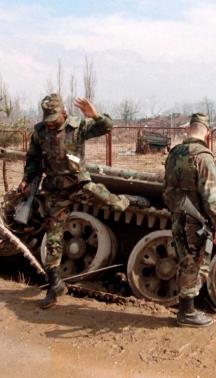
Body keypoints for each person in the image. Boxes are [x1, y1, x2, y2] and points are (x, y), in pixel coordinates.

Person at [19, 94, 149, 309]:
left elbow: (106, 128)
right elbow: (33, 160)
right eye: (47, 118)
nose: (51, 122)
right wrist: (26, 179)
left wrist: (95, 115)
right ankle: (55, 283)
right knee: (53, 236)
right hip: (55, 191)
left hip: (80, 186)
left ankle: (128, 199)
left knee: (116, 205)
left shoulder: (77, 127)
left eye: (54, 117)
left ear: (64, 112)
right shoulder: (40, 132)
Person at [162, 112, 216, 328]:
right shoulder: (203, 156)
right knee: (194, 262)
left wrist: (174, 211)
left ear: (189, 130)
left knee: (184, 259)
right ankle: (186, 313)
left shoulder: (174, 154)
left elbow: (166, 188)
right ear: (207, 133)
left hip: (177, 216)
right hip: (195, 221)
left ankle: (185, 309)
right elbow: (210, 195)